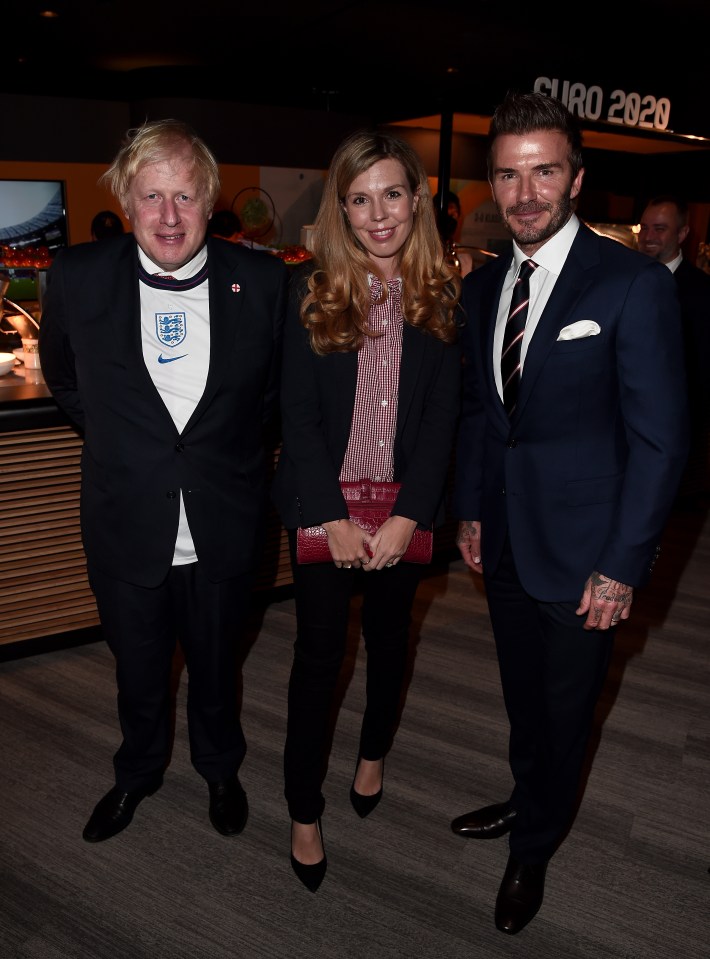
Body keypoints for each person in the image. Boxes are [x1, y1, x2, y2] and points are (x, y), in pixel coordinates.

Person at [451, 92, 689, 935]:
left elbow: (662, 442)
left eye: (543, 171)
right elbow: (486, 417)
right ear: (492, 182)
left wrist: (623, 563)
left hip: (590, 555)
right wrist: (476, 513)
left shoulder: (628, 285)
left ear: (576, 178)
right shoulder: (484, 286)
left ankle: (537, 845)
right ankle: (527, 796)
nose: (525, 193)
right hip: (509, 540)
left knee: (565, 705)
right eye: (509, 174)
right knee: (524, 696)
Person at [39, 119, 287, 843]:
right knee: (138, 670)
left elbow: (269, 400)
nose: (169, 216)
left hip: (224, 523)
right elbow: (64, 379)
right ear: (125, 197)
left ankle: (219, 767)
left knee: (217, 668)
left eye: (185, 195)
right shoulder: (78, 277)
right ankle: (138, 770)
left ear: (210, 200)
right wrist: (128, 444)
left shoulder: (266, 282)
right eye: (152, 196)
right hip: (125, 522)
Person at [271, 130, 462, 892]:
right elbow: (298, 417)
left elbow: (445, 419)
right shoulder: (312, 292)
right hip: (328, 515)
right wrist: (332, 517)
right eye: (359, 198)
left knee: (388, 646)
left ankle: (374, 751)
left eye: (390, 193)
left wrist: (411, 517)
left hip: (401, 521)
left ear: (416, 200)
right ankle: (303, 809)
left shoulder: (442, 295)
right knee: (317, 665)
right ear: (340, 208)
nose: (377, 213)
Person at [637, 194, 710, 504]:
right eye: (645, 228)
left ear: (682, 234)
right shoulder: (621, 280)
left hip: (676, 431)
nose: (649, 237)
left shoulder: (703, 293)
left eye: (660, 229)